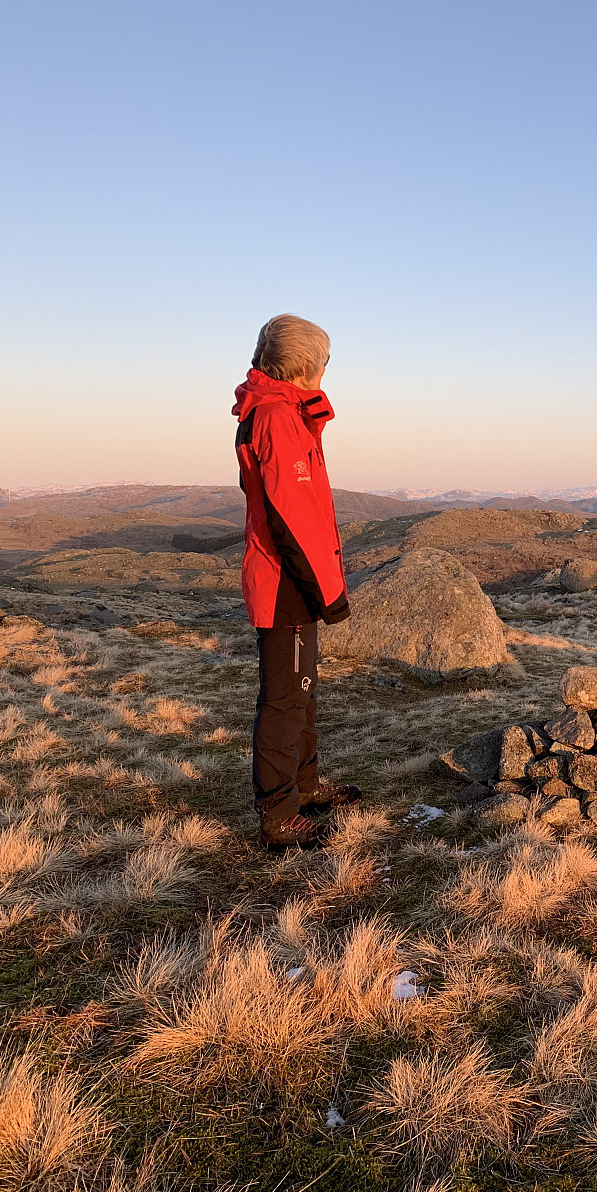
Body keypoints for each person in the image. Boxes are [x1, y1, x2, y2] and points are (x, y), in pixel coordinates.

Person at [232, 314, 360, 849]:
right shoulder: (276, 420)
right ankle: (279, 815)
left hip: (293, 576)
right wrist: (324, 591)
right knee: (284, 698)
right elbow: (291, 517)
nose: (329, 371)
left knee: (302, 692)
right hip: (286, 579)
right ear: (306, 366)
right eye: (327, 363)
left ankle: (304, 788)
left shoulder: (285, 413)